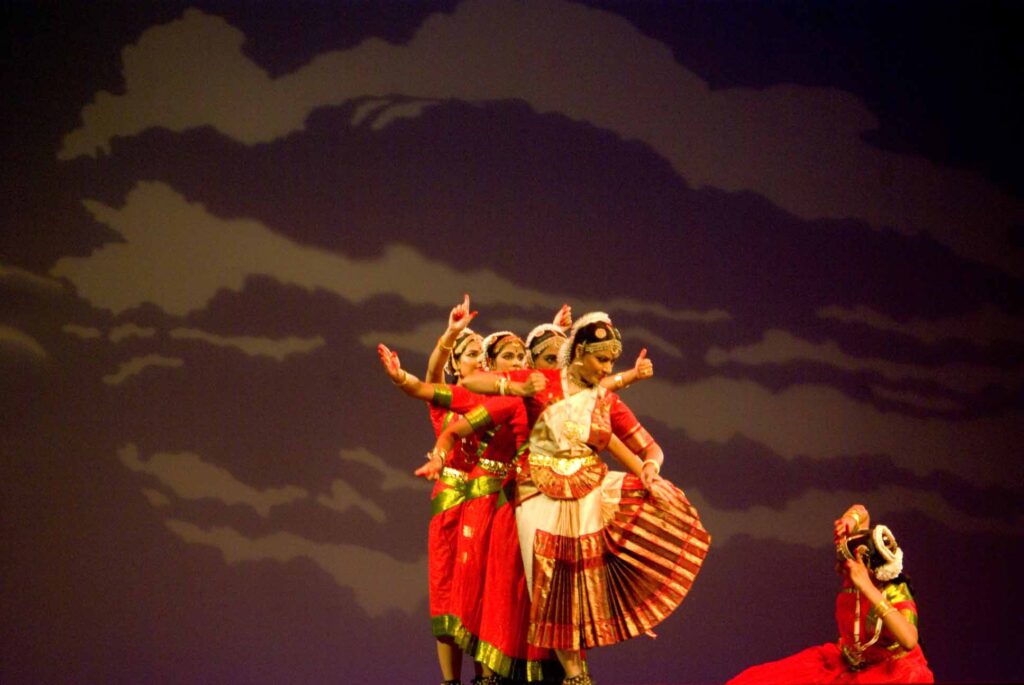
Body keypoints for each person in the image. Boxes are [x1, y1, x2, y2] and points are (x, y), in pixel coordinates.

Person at [439, 312, 711, 684]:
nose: (607, 368)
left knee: (588, 576)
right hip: (535, 494)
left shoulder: (603, 400)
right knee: (550, 586)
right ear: (580, 352)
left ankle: (576, 674)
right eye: (601, 359)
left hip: (583, 494)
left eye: (611, 362)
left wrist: (650, 467)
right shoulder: (540, 385)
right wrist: (511, 386)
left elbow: (648, 447)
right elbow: (471, 383)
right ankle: (566, 674)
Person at [726, 504, 934, 684]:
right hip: (843, 662)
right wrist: (849, 521)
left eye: (846, 558)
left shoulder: (894, 591)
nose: (840, 563)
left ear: (865, 565)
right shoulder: (855, 575)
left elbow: (909, 640)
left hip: (885, 673)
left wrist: (867, 588)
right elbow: (862, 512)